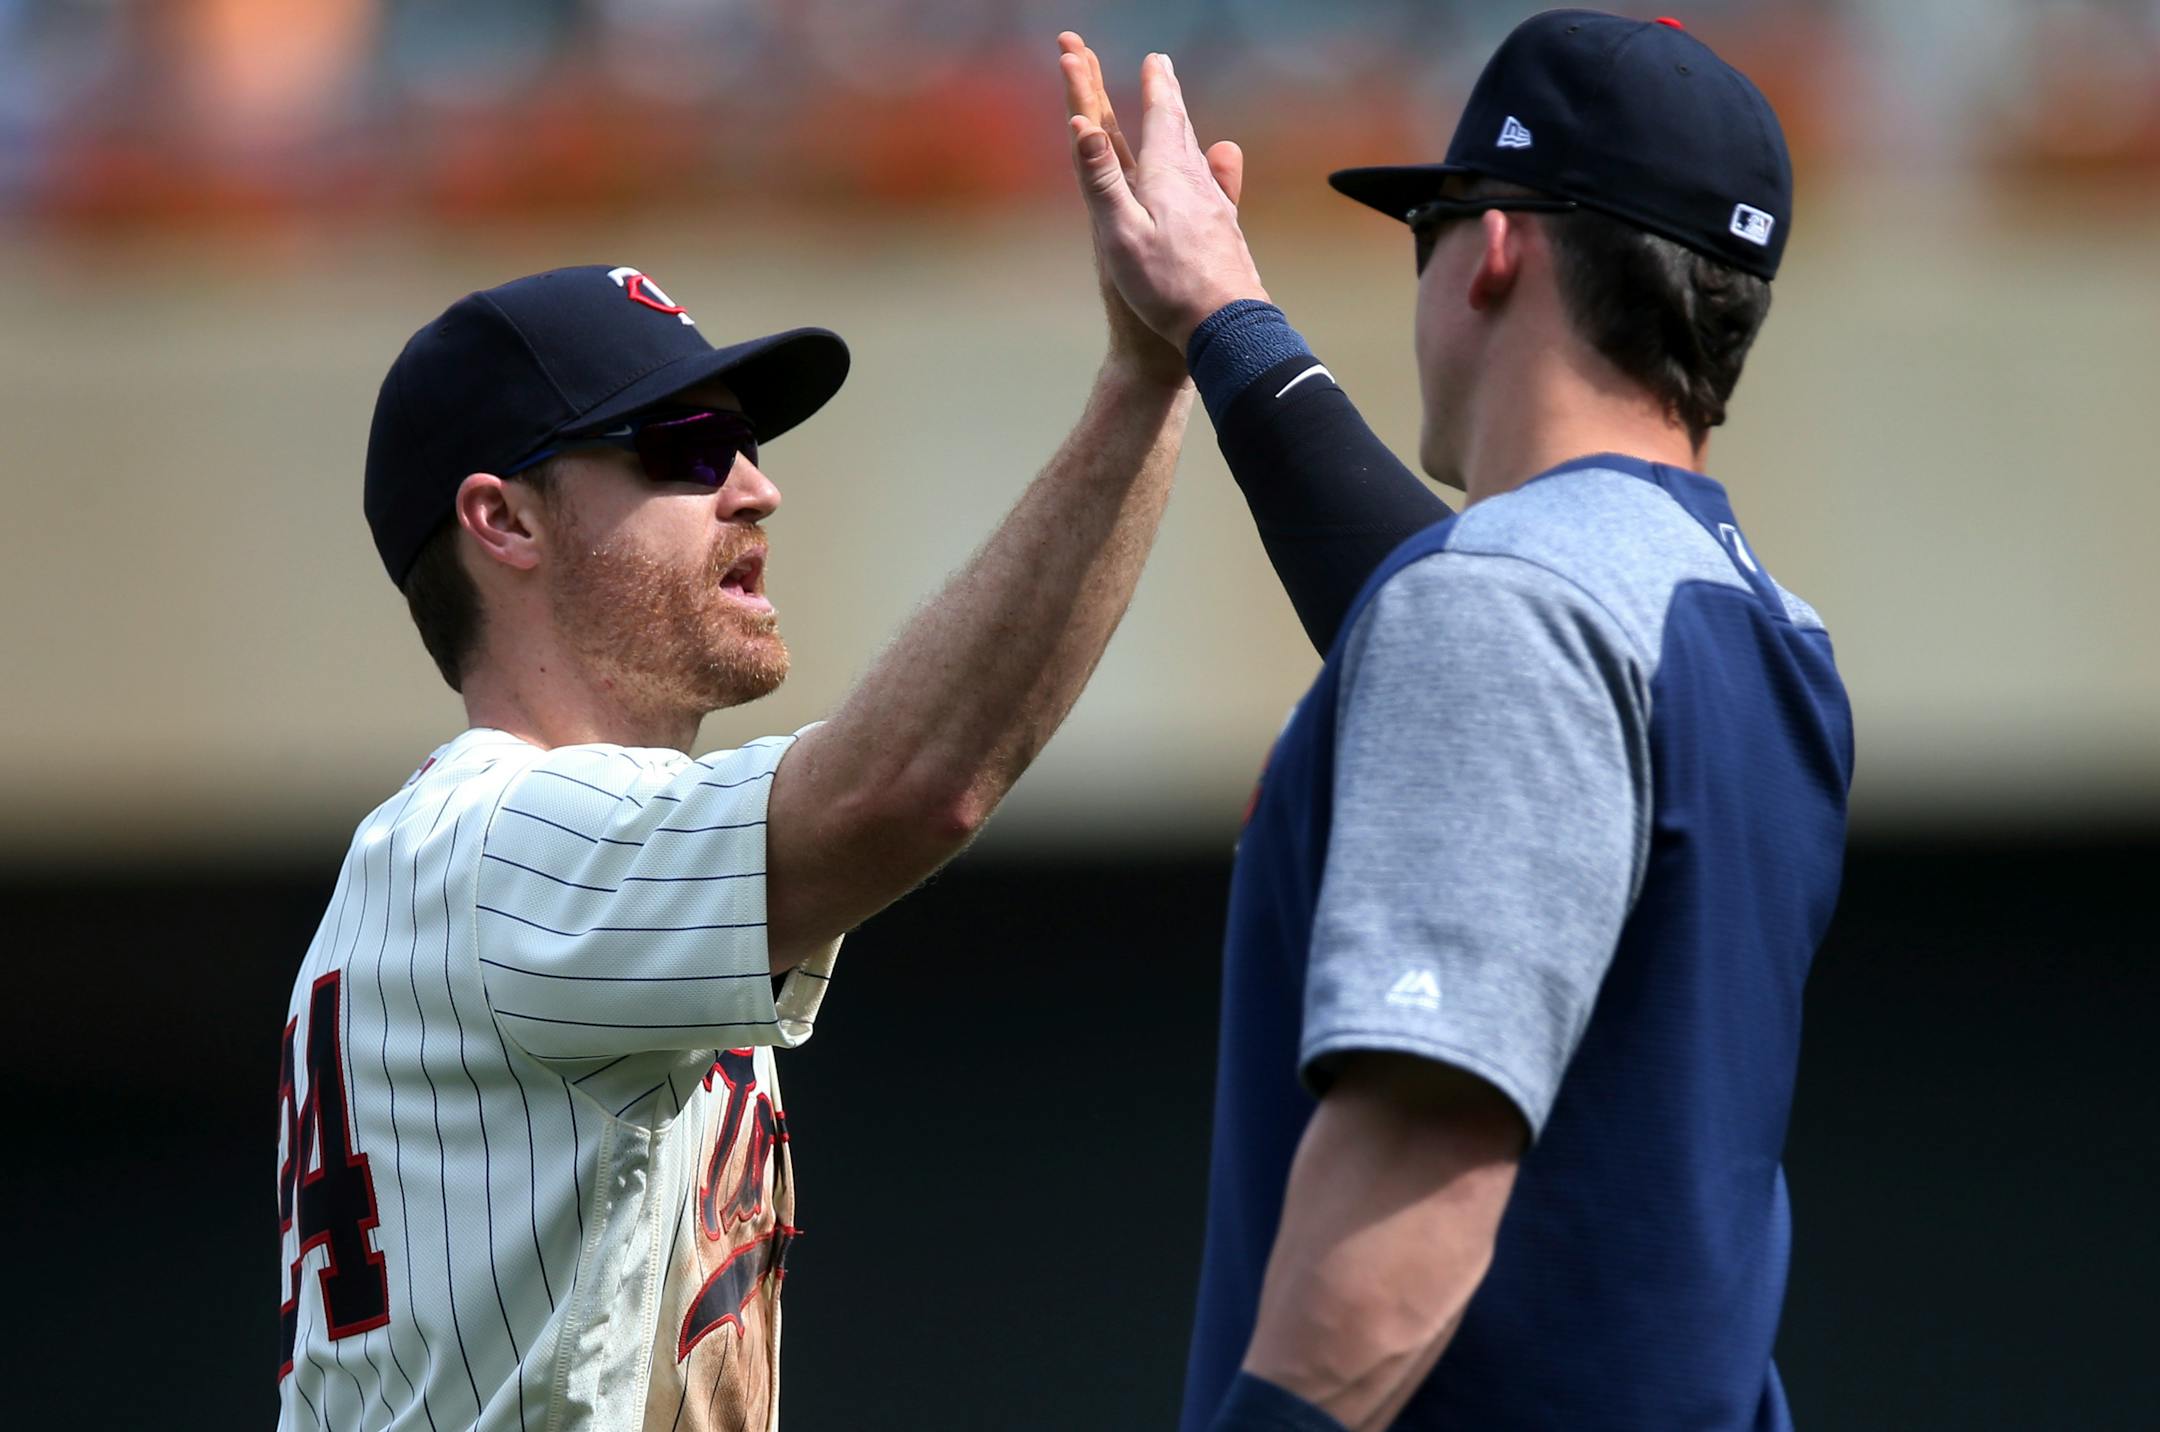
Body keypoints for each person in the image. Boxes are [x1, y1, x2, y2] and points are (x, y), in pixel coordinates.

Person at [1060, 13, 1851, 1431]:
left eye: (1426, 222)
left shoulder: (1504, 612)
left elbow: (1413, 1190)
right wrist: (1221, 320)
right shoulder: (1751, 621)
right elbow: (1443, 617)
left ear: (1494, 248)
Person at [275, 240, 1200, 1424]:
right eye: (685, 450)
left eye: (747, 444)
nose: (756, 487)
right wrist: (1144, 381)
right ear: (503, 521)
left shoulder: (506, 858)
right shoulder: (505, 843)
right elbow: (909, 789)